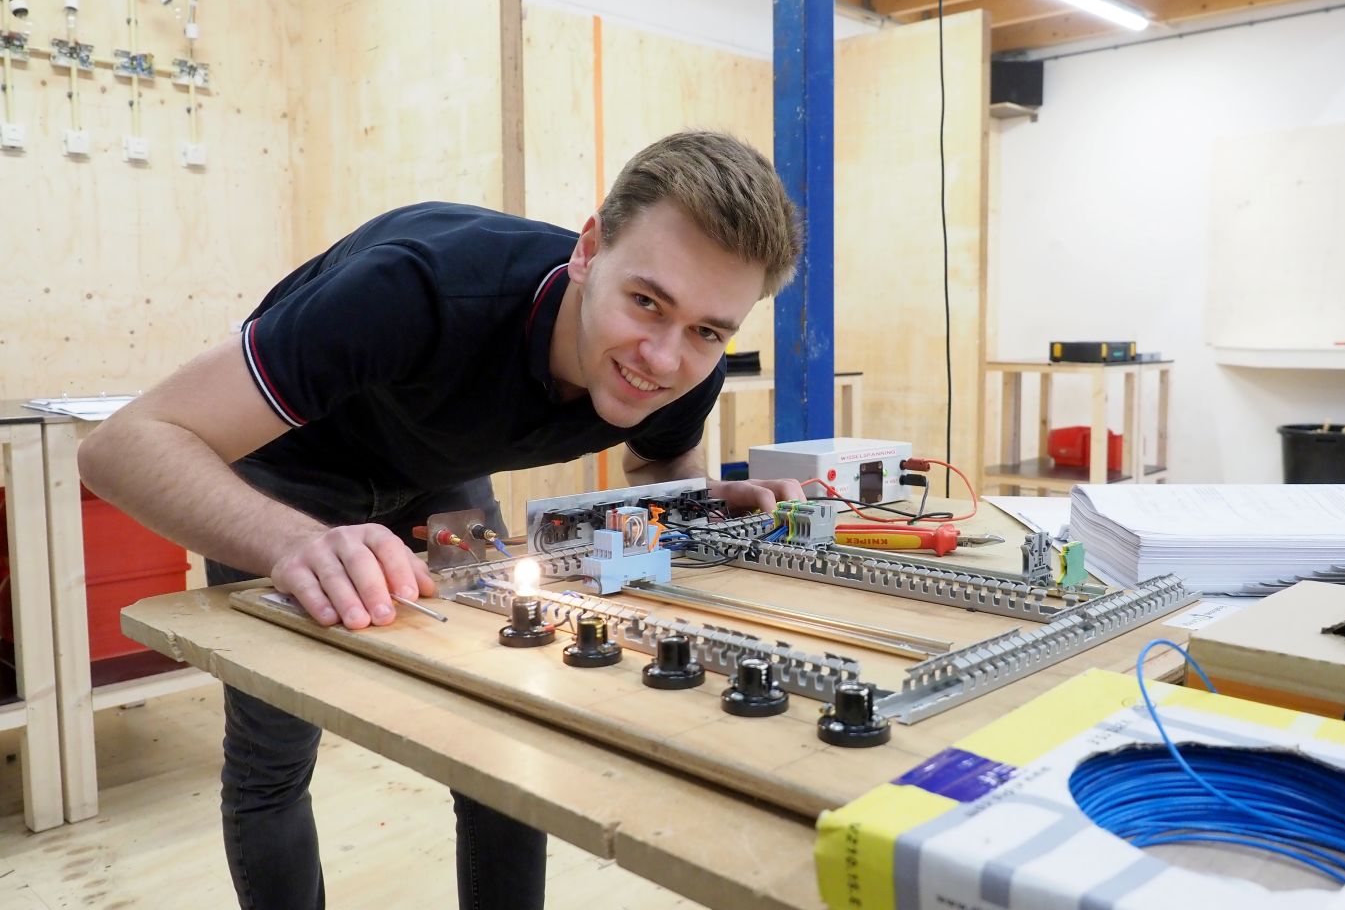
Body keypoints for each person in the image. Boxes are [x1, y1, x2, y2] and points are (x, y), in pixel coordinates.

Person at [78, 130, 807, 910]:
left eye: (706, 330)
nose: (662, 358)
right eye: (646, 302)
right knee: (274, 755)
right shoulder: (416, 292)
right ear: (589, 251)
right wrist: (294, 542)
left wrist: (695, 506)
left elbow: (658, 471)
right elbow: (121, 447)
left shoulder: (686, 371)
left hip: (438, 473)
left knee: (503, 736)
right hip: (285, 478)